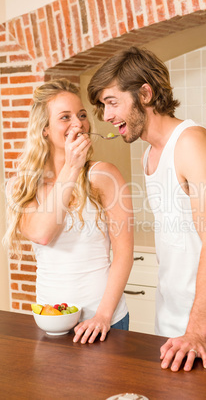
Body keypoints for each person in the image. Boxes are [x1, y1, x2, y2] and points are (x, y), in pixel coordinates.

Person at [87, 46, 206, 371]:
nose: (105, 116)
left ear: (144, 93)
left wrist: (196, 332)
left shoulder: (191, 143)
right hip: (172, 330)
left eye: (112, 102)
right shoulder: (149, 154)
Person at [3, 78, 134, 344]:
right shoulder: (20, 185)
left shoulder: (105, 175)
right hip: (51, 320)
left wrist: (103, 316)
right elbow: (41, 234)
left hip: (104, 320)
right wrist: (71, 169)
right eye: (65, 117)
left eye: (82, 115)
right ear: (45, 130)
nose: (79, 123)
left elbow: (124, 253)